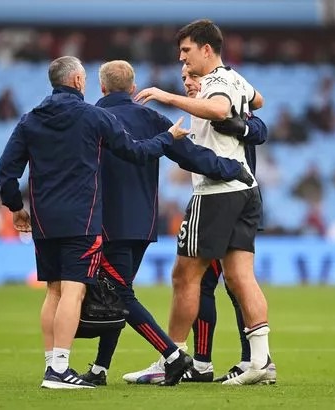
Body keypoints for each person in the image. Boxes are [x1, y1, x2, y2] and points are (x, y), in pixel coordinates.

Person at [0, 56, 190, 390]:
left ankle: (52, 365)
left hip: (43, 220)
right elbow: (135, 151)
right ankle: (59, 369)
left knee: (53, 291)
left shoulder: (30, 121)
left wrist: (16, 207)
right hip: (81, 220)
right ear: (76, 82)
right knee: (73, 290)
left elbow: (6, 171)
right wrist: (168, 137)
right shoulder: (94, 117)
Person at [76, 60, 256, 387]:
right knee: (117, 295)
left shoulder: (92, 118)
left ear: (101, 88)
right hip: (143, 225)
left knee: (117, 294)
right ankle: (100, 370)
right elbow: (191, 156)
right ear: (133, 89)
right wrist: (233, 168)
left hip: (105, 224)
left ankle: (173, 356)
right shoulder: (151, 118)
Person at [133, 19, 274, 386]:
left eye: (186, 51)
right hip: (246, 189)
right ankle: (260, 361)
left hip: (216, 192)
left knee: (184, 276)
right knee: (240, 276)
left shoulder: (216, 82)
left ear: (207, 50)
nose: (182, 59)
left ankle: (172, 358)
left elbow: (218, 110)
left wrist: (168, 96)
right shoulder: (233, 78)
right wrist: (240, 113)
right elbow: (257, 101)